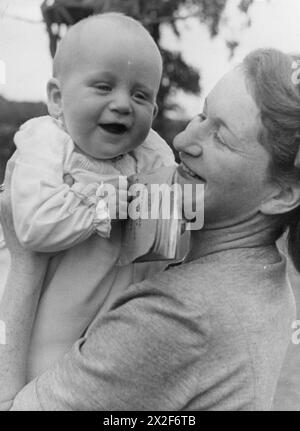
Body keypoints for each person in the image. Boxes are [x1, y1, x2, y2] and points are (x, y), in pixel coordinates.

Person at [0, 47, 300, 411]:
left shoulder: (175, 317)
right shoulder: (264, 274)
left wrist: (24, 262)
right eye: (202, 115)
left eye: (220, 138)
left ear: (283, 194)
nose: (183, 141)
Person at [0, 13, 175, 380]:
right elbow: (33, 226)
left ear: (154, 112)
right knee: (32, 381)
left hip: (95, 316)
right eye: (103, 87)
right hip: (31, 308)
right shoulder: (46, 141)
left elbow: (165, 231)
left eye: (141, 95)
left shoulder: (144, 155)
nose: (124, 104)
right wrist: (104, 202)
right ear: (57, 98)